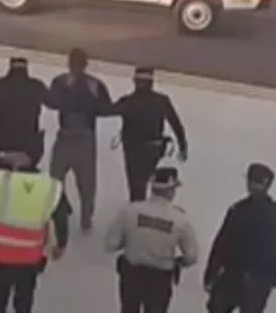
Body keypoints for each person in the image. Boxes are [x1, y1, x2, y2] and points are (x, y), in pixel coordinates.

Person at [0, 150, 71, 313]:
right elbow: (62, 217)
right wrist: (61, 245)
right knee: (24, 300)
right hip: (30, 257)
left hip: (0, 255)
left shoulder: (3, 180)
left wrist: (2, 157)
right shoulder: (51, 186)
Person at [204, 163, 276, 313]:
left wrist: (210, 274)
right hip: (261, 280)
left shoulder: (238, 210)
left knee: (217, 308)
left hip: (233, 275)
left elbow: (221, 244)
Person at [104, 167, 198, 313]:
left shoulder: (130, 211)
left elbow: (110, 244)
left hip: (131, 275)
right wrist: (179, 262)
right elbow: (191, 257)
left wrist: (129, 241)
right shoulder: (180, 219)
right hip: (160, 280)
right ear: (171, 190)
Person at [46, 47, 112, 231]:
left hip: (67, 135)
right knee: (86, 182)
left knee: (57, 177)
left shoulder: (59, 82)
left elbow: (51, 101)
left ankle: (61, 211)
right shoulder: (95, 84)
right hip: (84, 136)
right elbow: (106, 108)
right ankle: (85, 217)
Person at [106, 67, 188, 202]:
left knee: (136, 187)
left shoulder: (128, 101)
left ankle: (138, 212)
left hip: (133, 149)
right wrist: (183, 146)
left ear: (136, 82)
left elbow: (107, 110)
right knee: (153, 184)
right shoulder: (162, 101)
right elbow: (176, 124)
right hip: (154, 149)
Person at [0, 57, 49, 183]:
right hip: (28, 149)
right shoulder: (36, 86)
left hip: (3, 145)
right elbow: (54, 102)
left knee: (2, 184)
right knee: (24, 185)